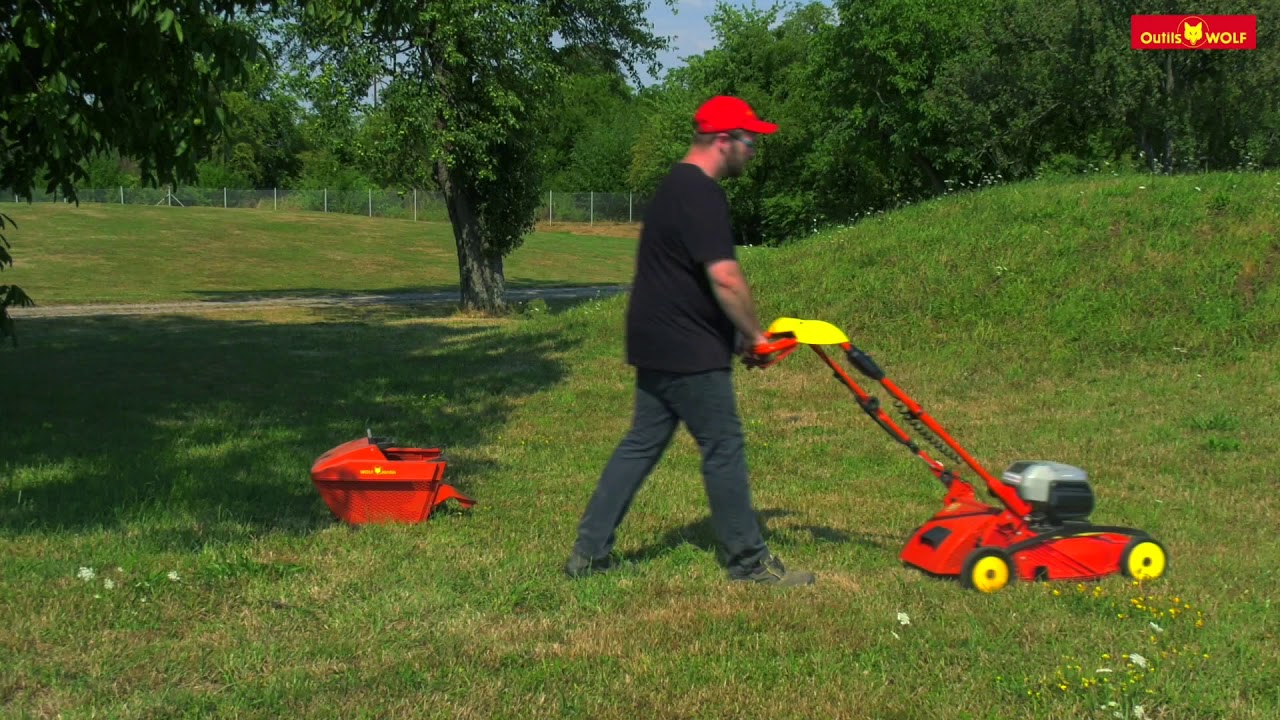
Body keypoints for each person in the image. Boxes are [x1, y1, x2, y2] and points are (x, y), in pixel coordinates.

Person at [563, 95, 816, 587]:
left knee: (640, 445)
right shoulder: (702, 193)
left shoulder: (673, 187)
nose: (754, 150)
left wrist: (733, 336)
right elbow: (724, 277)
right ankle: (748, 562)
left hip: (658, 338)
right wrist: (752, 332)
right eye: (750, 140)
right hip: (687, 348)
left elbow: (687, 279)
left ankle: (588, 554)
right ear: (724, 140)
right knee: (723, 445)